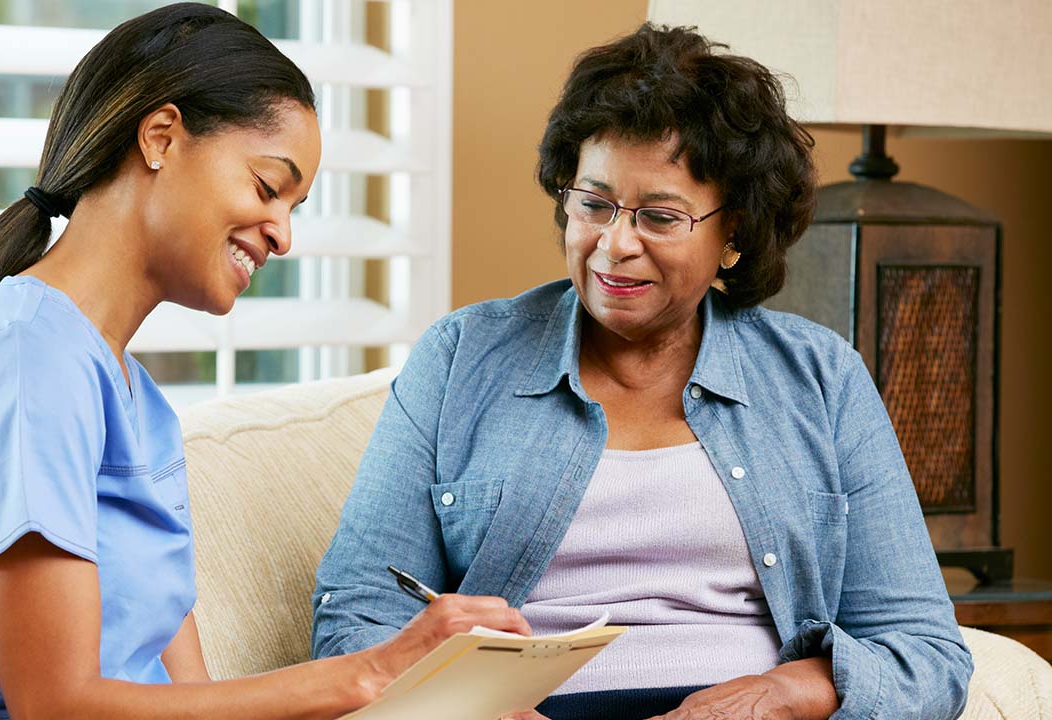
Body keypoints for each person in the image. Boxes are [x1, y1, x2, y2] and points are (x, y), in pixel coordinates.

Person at [0, 5, 533, 719]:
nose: (283, 235)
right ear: (161, 137)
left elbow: (195, 705)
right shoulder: (24, 361)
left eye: (295, 206)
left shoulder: (141, 408)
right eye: (268, 187)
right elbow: (56, 704)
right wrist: (369, 673)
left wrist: (424, 693)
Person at [312, 23, 972, 720]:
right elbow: (355, 617)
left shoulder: (821, 378)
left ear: (735, 235)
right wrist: (460, 705)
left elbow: (926, 656)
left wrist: (782, 694)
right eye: (593, 204)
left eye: (660, 216)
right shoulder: (461, 357)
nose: (614, 245)